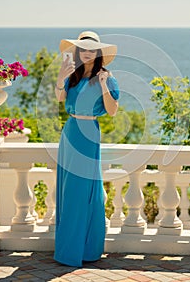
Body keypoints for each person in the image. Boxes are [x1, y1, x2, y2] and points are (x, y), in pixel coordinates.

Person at [53, 31, 119, 267]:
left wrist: (102, 85)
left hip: (89, 132)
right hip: (70, 132)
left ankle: (88, 250)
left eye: (93, 48)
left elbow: (112, 110)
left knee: (86, 192)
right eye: (84, 48)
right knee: (69, 189)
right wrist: (61, 76)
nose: (88, 52)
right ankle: (68, 251)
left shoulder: (107, 77)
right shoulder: (72, 76)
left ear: (99, 52)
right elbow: (60, 98)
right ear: (79, 52)